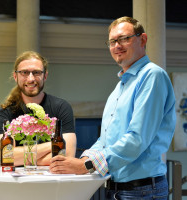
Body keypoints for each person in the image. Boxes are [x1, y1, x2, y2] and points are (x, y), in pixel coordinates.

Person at [50, 16, 176, 199]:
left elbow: (137, 139)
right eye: (112, 41)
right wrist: (83, 160)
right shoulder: (120, 86)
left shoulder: (152, 75)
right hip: (117, 188)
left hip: (142, 191)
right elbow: (106, 139)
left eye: (124, 38)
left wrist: (86, 166)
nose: (117, 45)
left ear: (143, 39)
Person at [0, 51, 77, 166]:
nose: (30, 79)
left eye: (37, 72)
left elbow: (67, 155)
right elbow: (6, 157)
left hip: (53, 180)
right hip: (17, 182)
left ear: (45, 76)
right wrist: (53, 145)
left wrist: (24, 158)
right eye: (24, 72)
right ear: (15, 76)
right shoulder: (5, 113)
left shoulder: (61, 107)